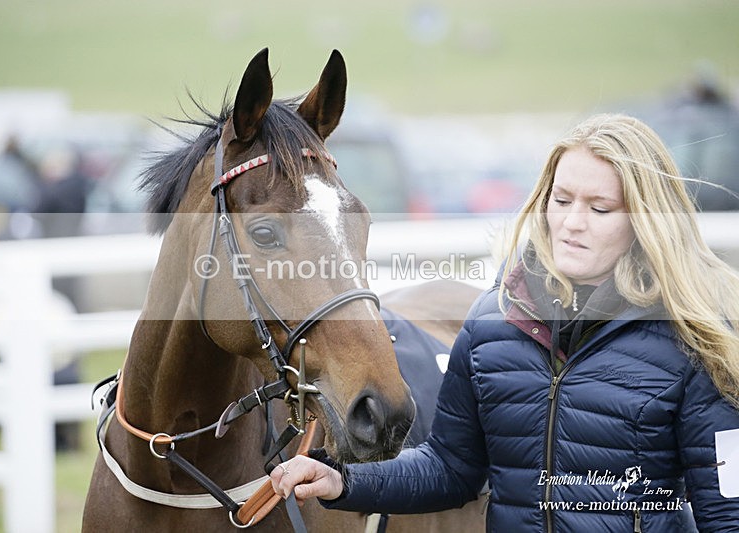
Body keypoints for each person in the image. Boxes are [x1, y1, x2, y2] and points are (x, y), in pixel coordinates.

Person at [270, 113, 739, 531]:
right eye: (562, 199)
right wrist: (343, 481)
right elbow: (450, 468)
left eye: (599, 208)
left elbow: (728, 512)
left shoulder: (696, 339)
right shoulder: (490, 323)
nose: (572, 223)